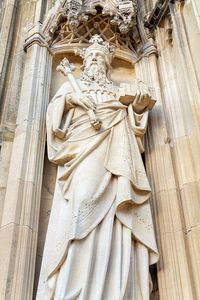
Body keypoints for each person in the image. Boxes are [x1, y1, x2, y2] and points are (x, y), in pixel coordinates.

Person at [36, 35, 158, 300]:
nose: (93, 60)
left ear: (106, 65)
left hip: (117, 157)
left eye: (99, 57)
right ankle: (74, 289)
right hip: (82, 153)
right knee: (81, 204)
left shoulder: (117, 92)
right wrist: (71, 102)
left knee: (117, 217)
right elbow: (54, 121)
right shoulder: (71, 87)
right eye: (90, 57)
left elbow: (136, 128)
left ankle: (115, 289)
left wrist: (137, 108)